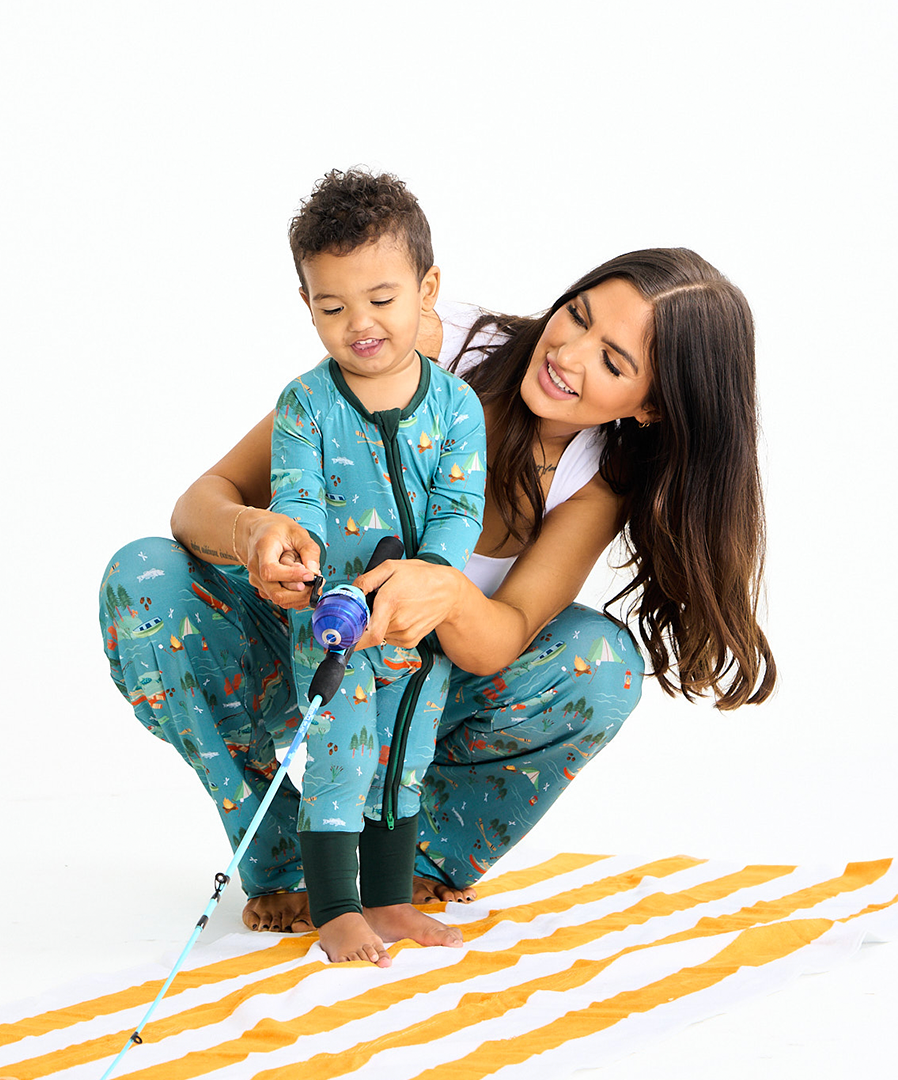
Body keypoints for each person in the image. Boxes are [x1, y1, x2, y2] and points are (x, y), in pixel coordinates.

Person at [99, 238, 776, 958]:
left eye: (613, 361)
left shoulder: (598, 477)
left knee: (600, 662)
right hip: (296, 641)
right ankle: (280, 860)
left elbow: (503, 635)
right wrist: (252, 532)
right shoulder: (425, 339)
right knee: (144, 579)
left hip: (413, 692)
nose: (569, 353)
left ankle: (407, 866)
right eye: (575, 315)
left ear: (653, 409)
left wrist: (446, 592)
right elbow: (200, 502)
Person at [267, 170, 486, 966]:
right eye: (333, 307)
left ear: (427, 289)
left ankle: (391, 899)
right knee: (342, 755)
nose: (360, 323)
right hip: (336, 625)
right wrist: (321, 582)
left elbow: (460, 510)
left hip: (419, 622)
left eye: (382, 300)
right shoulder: (305, 406)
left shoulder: (458, 407)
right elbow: (299, 504)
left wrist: (425, 580)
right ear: (308, 305)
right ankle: (335, 910)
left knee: (406, 756)